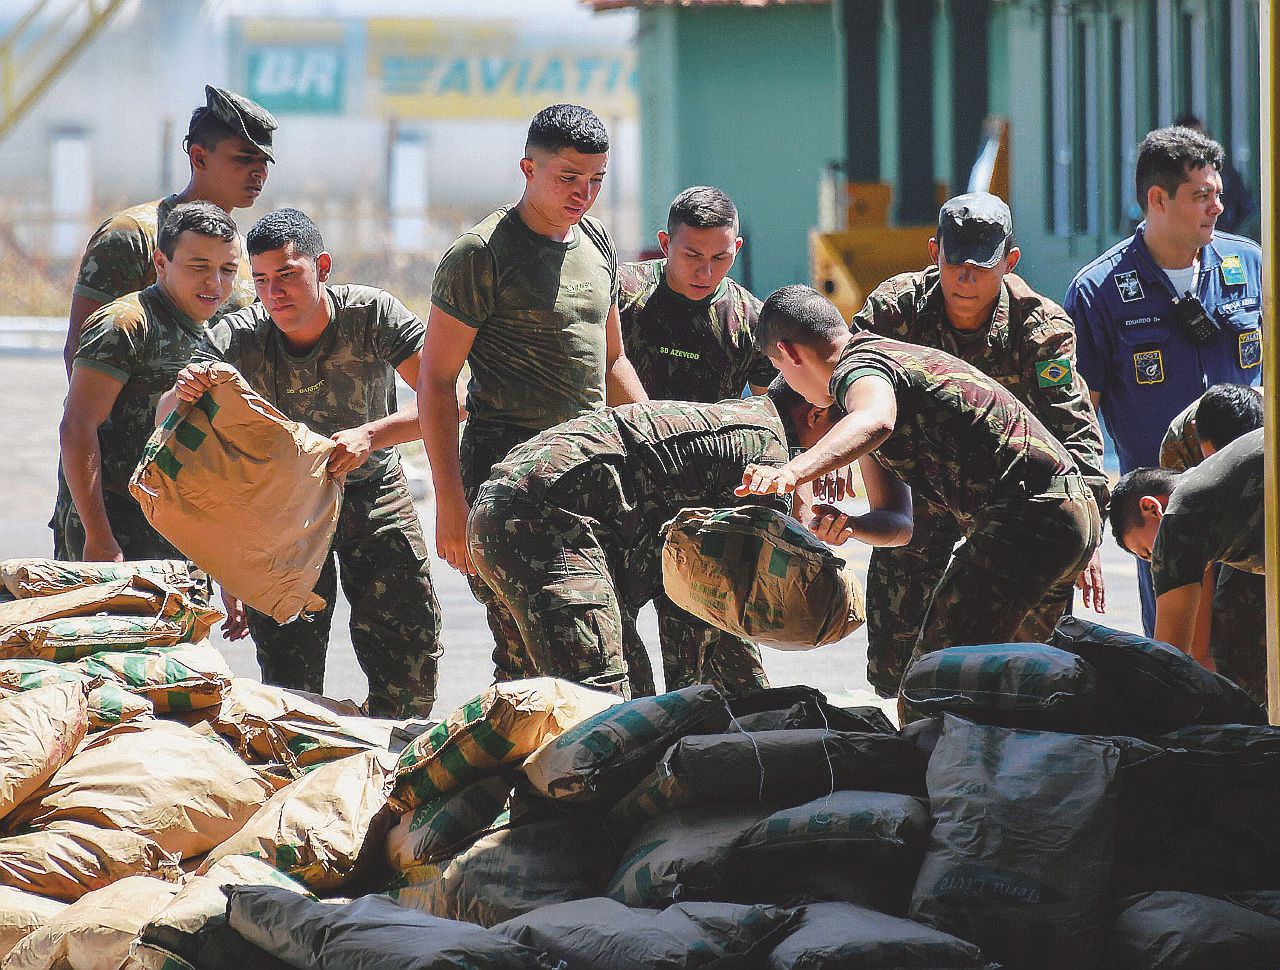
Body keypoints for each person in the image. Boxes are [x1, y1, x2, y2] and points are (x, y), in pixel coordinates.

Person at [161, 209, 441, 718]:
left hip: (373, 493)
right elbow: (174, 421)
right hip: (284, 511)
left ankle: (400, 771)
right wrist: (234, 557)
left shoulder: (371, 315)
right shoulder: (239, 337)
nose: (275, 294)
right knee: (289, 676)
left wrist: (371, 436)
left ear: (323, 267)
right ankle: (304, 780)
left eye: (288, 275)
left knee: (409, 654)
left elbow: (447, 401)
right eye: (262, 280)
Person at [739, 285, 1100, 678]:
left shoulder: (859, 365)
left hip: (1028, 518)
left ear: (790, 354)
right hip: (1063, 516)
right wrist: (855, 526)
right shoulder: (870, 385)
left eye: (779, 370)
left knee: (932, 681)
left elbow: (877, 418)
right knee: (1020, 684)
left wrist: (793, 472)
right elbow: (900, 523)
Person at [419, 103, 647, 684]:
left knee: (608, 647)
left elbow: (613, 358)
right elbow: (437, 379)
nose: (584, 194)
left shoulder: (596, 242)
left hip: (591, 474)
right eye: (568, 178)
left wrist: (653, 448)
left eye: (596, 180)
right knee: (530, 659)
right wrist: (449, 501)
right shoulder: (482, 255)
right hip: (510, 484)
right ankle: (516, 772)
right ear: (528, 168)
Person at [851, 191, 1108, 696]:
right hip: (922, 492)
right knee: (893, 667)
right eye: (955, 261)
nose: (966, 277)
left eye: (982, 264)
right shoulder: (894, 309)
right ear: (934, 253)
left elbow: (1073, 430)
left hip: (1012, 500)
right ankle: (913, 750)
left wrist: (1086, 527)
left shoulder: (1040, 329)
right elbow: (843, 377)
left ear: (1009, 261)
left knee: (1026, 663)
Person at [467, 385, 841, 699]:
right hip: (541, 521)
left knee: (542, 698)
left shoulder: (746, 423)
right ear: (816, 414)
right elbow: (706, 602)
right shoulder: (766, 459)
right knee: (606, 706)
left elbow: (714, 617)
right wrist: (690, 702)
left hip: (511, 503)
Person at [52, 85, 276, 558]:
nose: (257, 172)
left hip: (191, 497)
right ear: (199, 156)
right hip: (116, 495)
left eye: (264, 162)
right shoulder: (134, 236)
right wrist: (99, 508)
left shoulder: (236, 251)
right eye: (242, 158)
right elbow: (82, 354)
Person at [1065, 125, 1263, 636]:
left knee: (1259, 656)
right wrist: (1085, 525)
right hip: (1167, 517)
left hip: (1256, 509)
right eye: (1201, 196)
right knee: (1181, 663)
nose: (1217, 207)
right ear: (1157, 198)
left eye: (1217, 194)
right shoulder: (1099, 293)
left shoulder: (1250, 265)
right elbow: (1078, 417)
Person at [615, 185, 778, 695]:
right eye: (691, 256)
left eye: (719, 258)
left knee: (725, 685)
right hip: (625, 501)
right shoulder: (621, 299)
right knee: (610, 654)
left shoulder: (750, 322)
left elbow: (768, 414)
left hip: (705, 514)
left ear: (738, 250)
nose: (705, 273)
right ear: (665, 243)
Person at [59, 203, 242, 563]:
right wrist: (99, 536)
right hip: (119, 527)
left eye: (228, 269)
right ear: (160, 262)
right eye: (199, 267)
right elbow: (77, 426)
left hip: (184, 529)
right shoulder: (126, 323)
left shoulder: (223, 330)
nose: (215, 283)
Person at [1109, 427, 1265, 700]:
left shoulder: (1179, 518)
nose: (1154, 561)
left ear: (1150, 508)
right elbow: (1198, 649)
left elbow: (1167, 664)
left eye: (1146, 551)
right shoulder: (1210, 491)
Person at [1156, 384, 1265, 703]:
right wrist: (1201, 657)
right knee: (1229, 622)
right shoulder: (1179, 447)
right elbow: (1190, 561)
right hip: (1219, 530)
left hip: (1261, 511)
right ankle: (1243, 711)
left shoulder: (1264, 428)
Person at [1174, 114, 1258, 237]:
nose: (1202, 144)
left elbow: (1245, 207)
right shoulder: (1172, 176)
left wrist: (1233, 236)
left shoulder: (1223, 171)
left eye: (1205, 136)